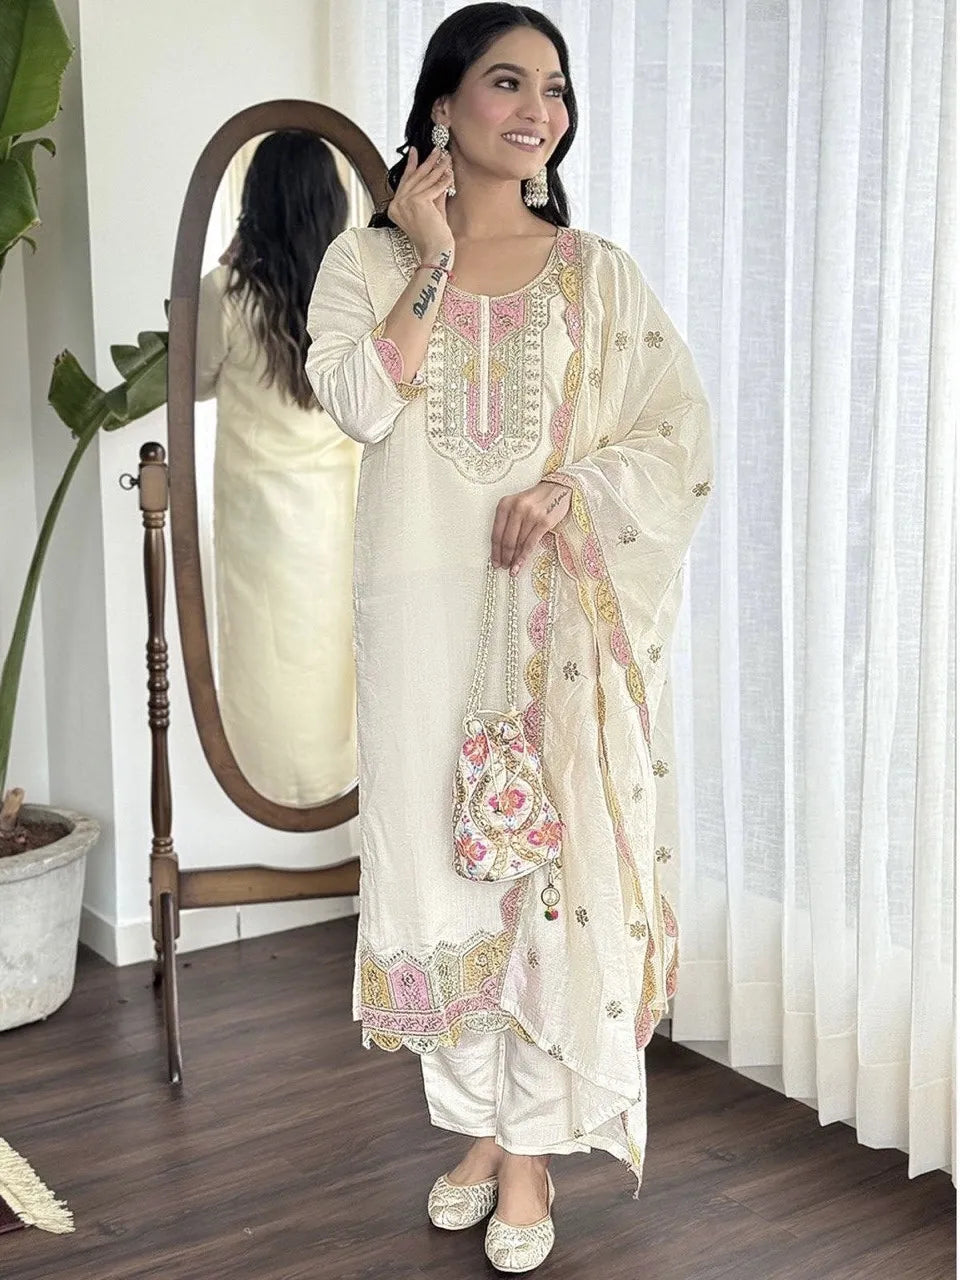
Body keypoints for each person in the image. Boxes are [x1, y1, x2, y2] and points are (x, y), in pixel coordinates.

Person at [305, 4, 713, 1272]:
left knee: (544, 872)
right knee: (443, 868)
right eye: (507, 82)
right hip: (419, 627)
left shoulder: (598, 276)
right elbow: (363, 406)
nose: (540, 108)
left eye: (556, 87)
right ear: (443, 106)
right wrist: (427, 256)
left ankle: (529, 1151)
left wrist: (573, 490)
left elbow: (676, 435)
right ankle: (481, 1125)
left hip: (551, 626)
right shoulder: (365, 267)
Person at [196, 130, 362, 807]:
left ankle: (273, 783)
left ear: (255, 200)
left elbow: (196, 384)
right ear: (330, 203)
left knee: (268, 660)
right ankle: (333, 779)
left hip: (259, 518)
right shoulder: (356, 293)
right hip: (339, 510)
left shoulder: (224, 290)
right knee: (334, 657)